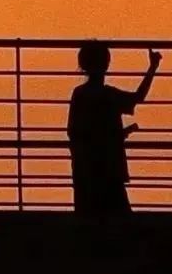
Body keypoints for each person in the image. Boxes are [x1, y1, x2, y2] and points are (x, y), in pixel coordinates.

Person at [67, 41, 162, 216]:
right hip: (110, 170)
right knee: (120, 221)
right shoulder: (109, 95)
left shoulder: (79, 94)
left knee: (88, 221)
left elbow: (73, 132)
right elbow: (138, 97)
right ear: (106, 64)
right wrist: (153, 67)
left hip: (84, 171)